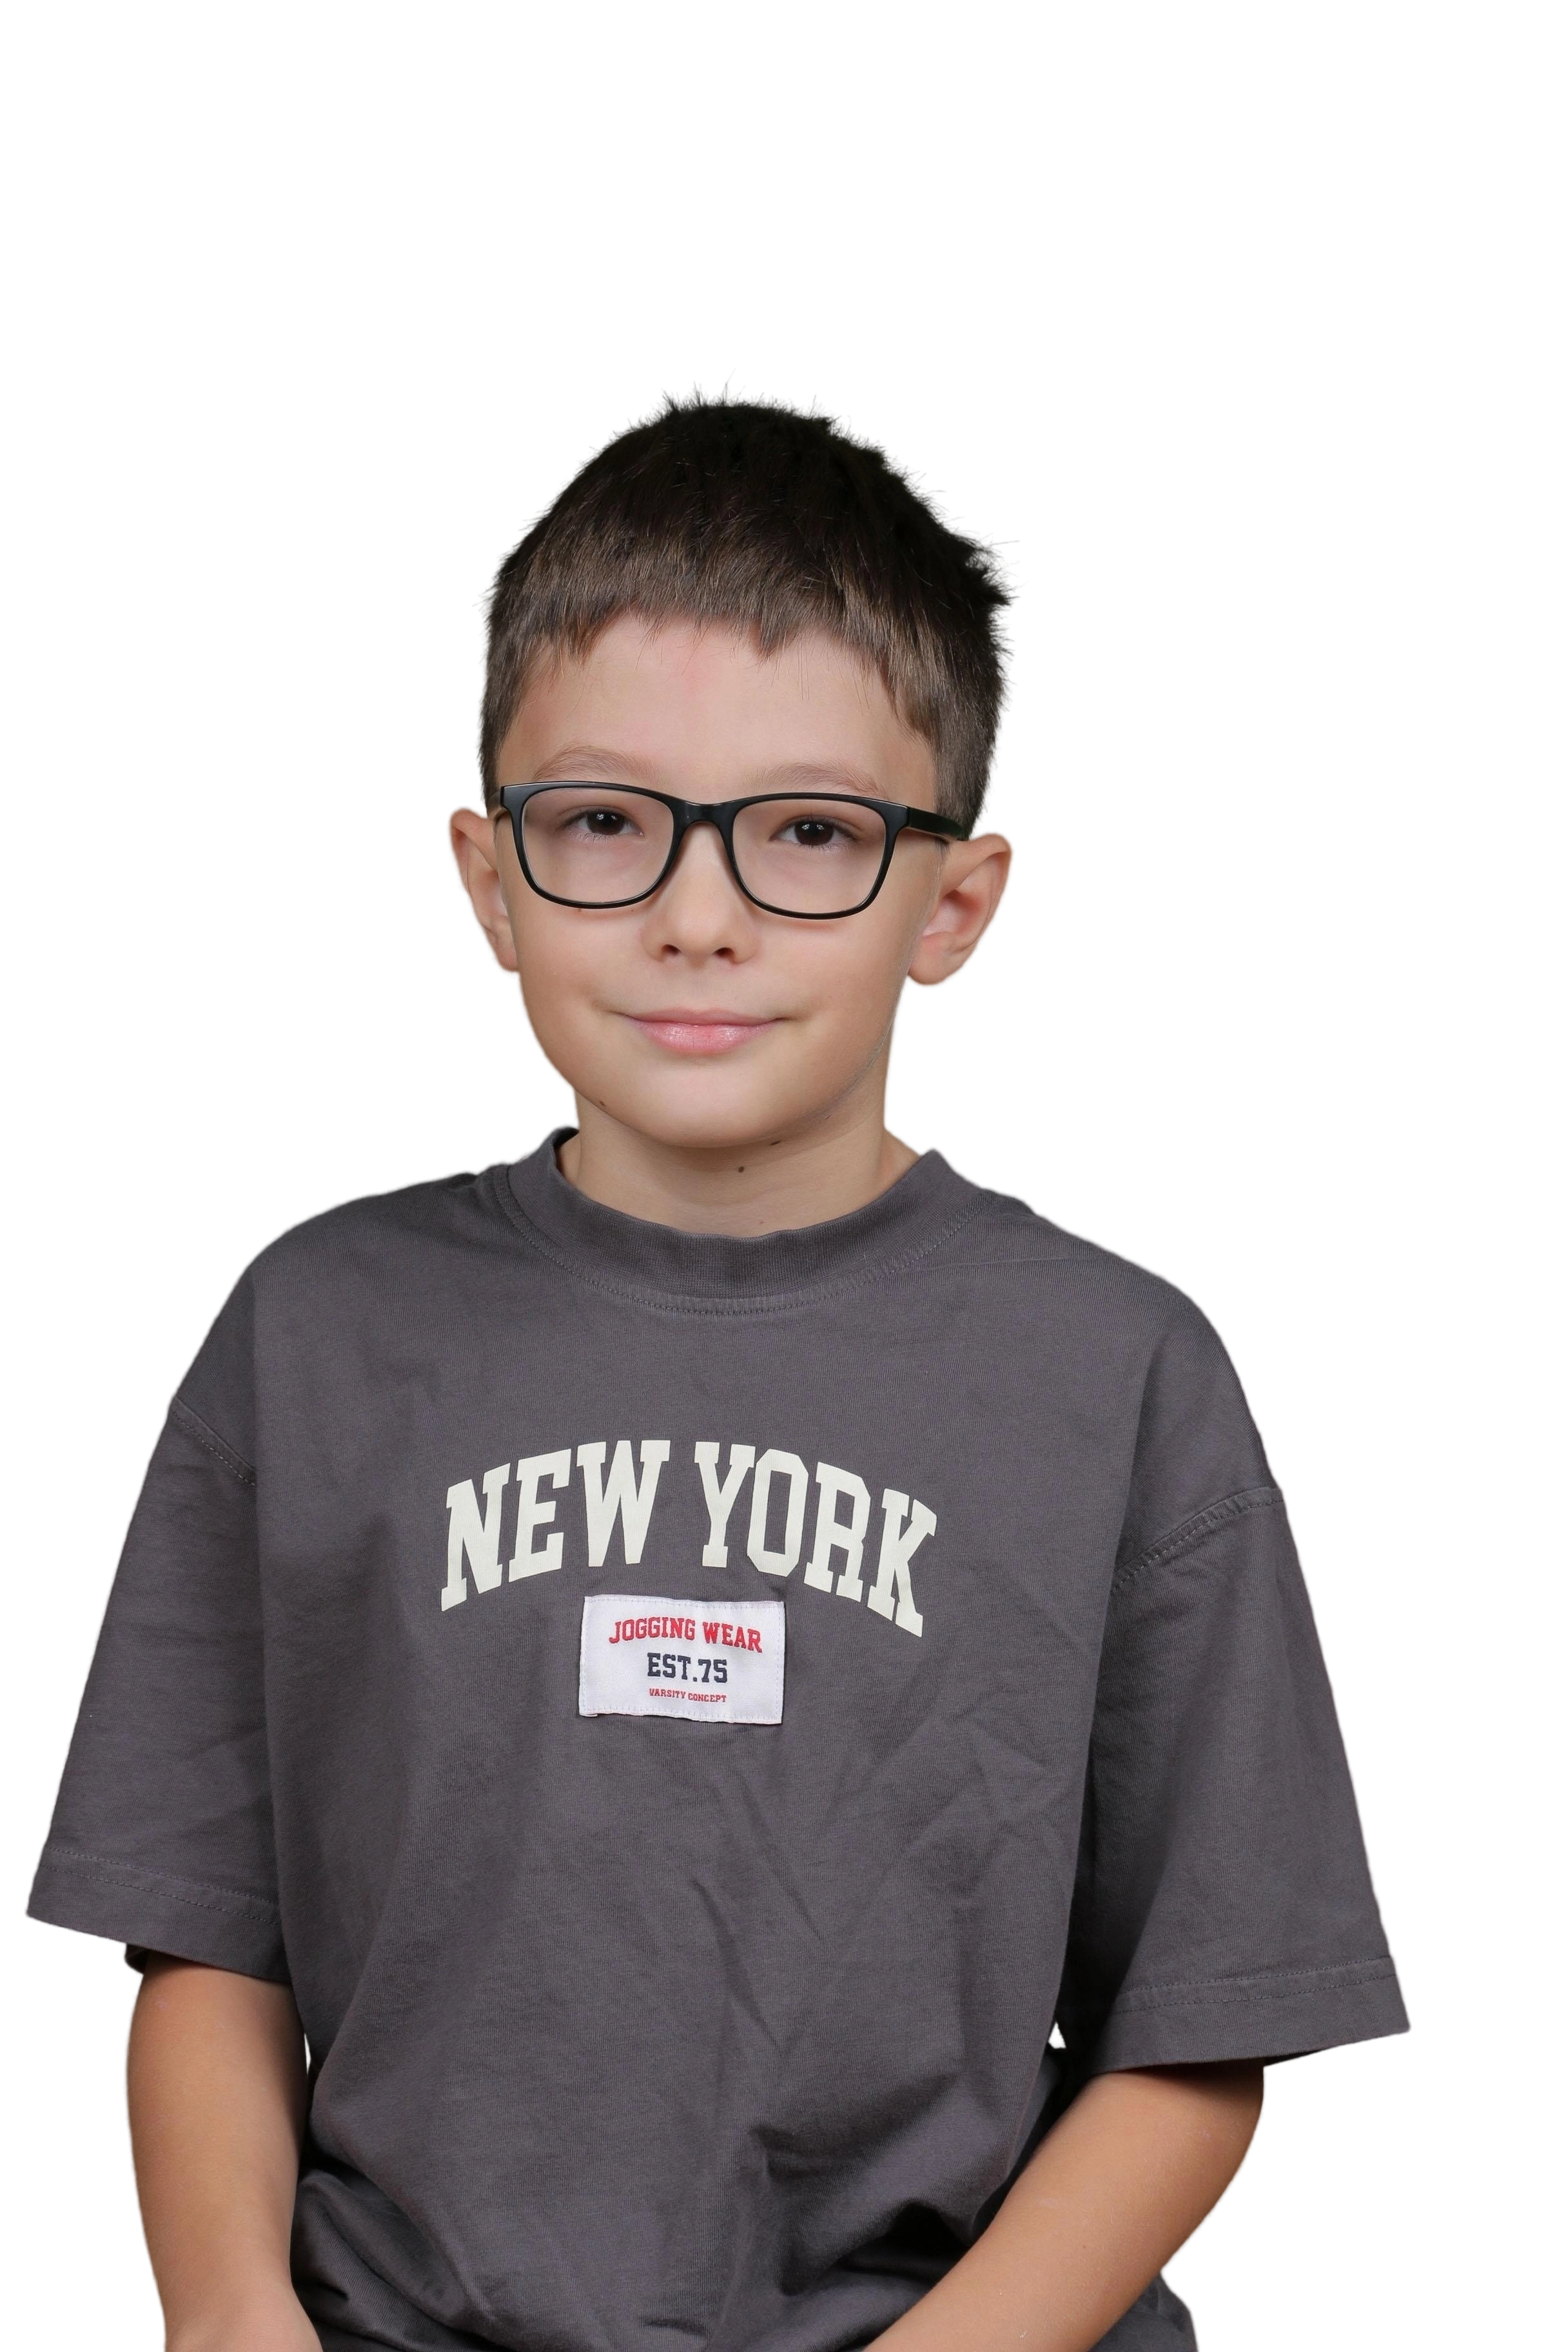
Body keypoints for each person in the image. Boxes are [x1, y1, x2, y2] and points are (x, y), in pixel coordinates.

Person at [23, 377, 1409, 2352]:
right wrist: (232, 2317)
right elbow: (201, 1946)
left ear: (956, 905)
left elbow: (1203, 2035)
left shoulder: (1124, 1376)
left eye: (809, 834)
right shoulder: (309, 1333)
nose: (698, 918)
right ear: (487, 876)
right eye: (604, 822)